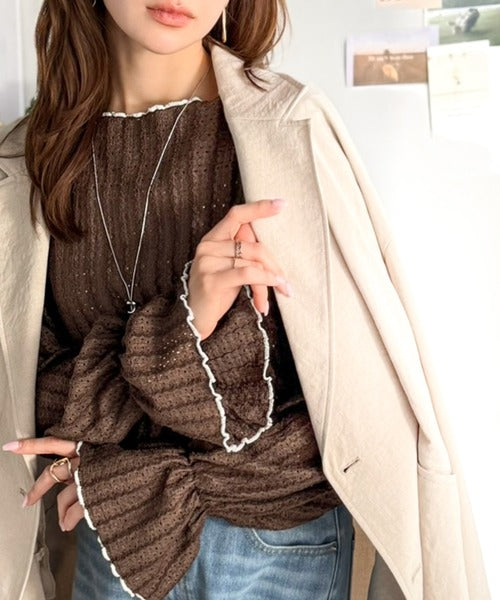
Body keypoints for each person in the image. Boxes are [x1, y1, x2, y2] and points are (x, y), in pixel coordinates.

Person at [0, 1, 490, 600]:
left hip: (278, 542)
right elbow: (32, 391)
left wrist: (131, 433)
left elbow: (337, 394)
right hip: (115, 530)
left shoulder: (288, 127)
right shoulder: (30, 158)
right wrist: (184, 323)